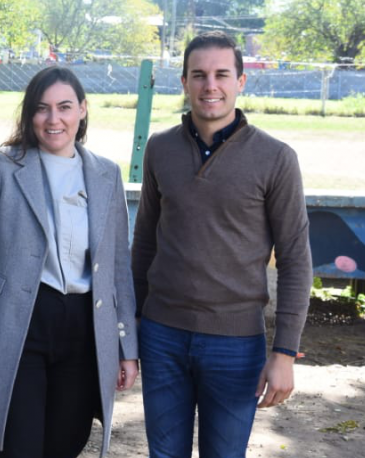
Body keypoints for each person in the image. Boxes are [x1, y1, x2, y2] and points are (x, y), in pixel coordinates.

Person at [132, 31, 313, 458]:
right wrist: (133, 322)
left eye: (221, 75)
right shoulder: (159, 149)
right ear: (184, 82)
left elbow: (295, 259)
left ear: (240, 81)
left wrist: (284, 352)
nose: (209, 85)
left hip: (236, 343)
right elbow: (144, 243)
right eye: (198, 75)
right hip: (161, 335)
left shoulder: (276, 158)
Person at [0, 66, 138, 458]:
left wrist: (126, 347)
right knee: (16, 445)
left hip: (83, 329)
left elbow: (118, 268)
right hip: (18, 327)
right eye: (42, 108)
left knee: (67, 443)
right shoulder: (1, 166)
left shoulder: (106, 174)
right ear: (29, 114)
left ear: (83, 109)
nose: (53, 119)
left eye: (64, 107)